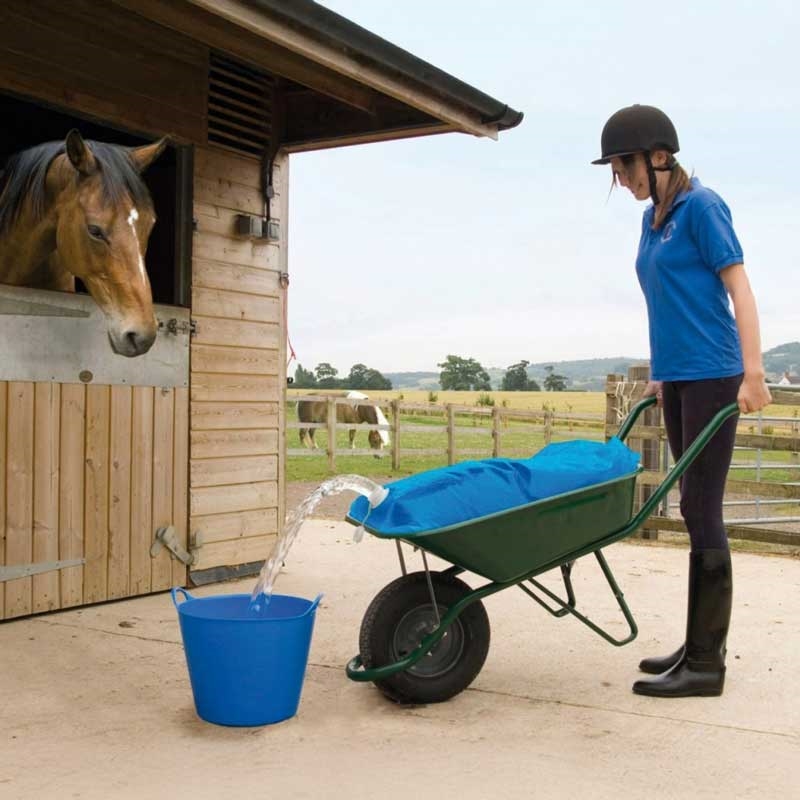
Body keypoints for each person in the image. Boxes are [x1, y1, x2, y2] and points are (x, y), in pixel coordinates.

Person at [592, 104, 772, 698]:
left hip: (718, 374)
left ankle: (706, 664)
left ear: (658, 156)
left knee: (701, 507)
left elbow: (739, 290)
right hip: (681, 379)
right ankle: (697, 646)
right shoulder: (652, 220)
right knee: (691, 509)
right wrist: (662, 372)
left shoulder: (703, 208)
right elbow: (664, 300)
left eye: (623, 165)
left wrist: (753, 373)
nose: (620, 177)